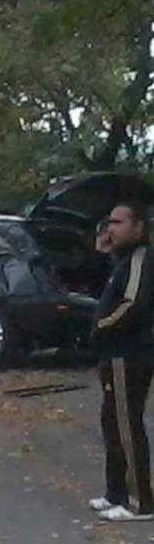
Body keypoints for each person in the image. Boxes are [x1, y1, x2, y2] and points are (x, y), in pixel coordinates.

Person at [88, 200, 154, 522]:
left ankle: (140, 501)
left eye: (118, 222)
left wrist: (102, 327)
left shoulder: (142, 258)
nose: (111, 228)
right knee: (111, 422)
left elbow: (134, 303)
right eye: (109, 222)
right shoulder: (122, 260)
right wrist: (103, 252)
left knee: (127, 424)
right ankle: (116, 491)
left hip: (130, 352)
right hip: (114, 352)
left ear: (139, 227)